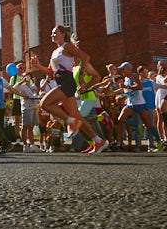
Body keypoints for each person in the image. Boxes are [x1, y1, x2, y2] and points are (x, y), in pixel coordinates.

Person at [27, 25, 108, 155]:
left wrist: (81, 73)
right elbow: (50, 71)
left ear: (63, 34)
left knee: (45, 104)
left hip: (67, 82)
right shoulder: (55, 51)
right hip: (61, 82)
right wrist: (38, 66)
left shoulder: (67, 46)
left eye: (55, 33)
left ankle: (70, 122)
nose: (52, 35)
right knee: (78, 116)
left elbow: (85, 57)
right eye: (52, 33)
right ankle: (98, 141)